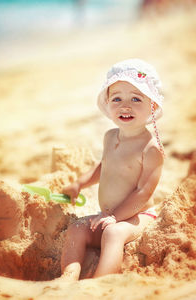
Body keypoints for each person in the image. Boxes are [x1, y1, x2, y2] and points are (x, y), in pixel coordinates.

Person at [60, 58, 164, 280]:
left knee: (113, 234)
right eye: (117, 98)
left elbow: (144, 192)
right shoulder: (110, 136)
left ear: (152, 105)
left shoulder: (150, 149)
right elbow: (103, 166)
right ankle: (68, 275)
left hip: (137, 216)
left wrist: (116, 217)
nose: (125, 106)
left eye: (136, 99)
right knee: (77, 228)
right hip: (108, 215)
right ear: (107, 104)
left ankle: (101, 281)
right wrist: (80, 183)